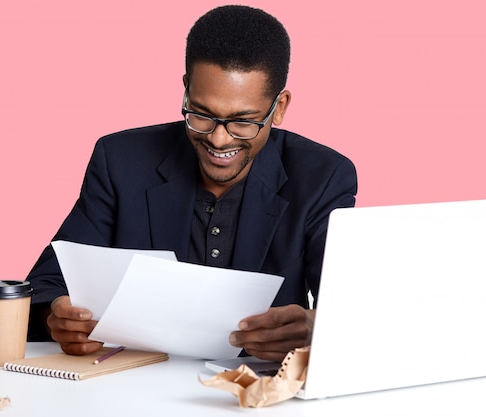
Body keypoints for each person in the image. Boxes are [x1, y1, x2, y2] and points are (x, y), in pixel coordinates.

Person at [26, 5, 357, 363]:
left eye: (243, 122)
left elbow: (355, 313)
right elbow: (45, 285)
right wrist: (56, 316)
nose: (217, 140)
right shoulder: (120, 160)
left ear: (279, 108)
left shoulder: (323, 177)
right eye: (200, 114)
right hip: (132, 384)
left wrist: (315, 328)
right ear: (186, 89)